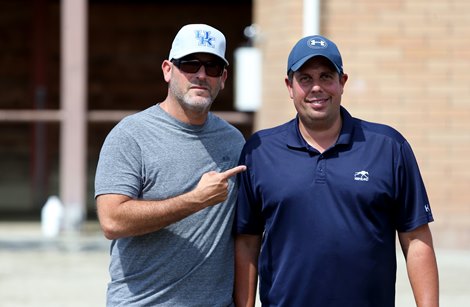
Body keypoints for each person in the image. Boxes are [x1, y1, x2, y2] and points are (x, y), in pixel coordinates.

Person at [233, 35, 439, 307]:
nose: (316, 87)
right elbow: (247, 242)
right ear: (289, 86)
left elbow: (415, 238)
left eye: (326, 76)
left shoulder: (388, 147)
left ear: (342, 82)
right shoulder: (259, 151)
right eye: (305, 78)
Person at [95, 24, 246, 306]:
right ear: (167, 70)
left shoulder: (233, 141)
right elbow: (111, 221)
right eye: (190, 64)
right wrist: (195, 200)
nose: (201, 75)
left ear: (223, 78)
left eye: (212, 67)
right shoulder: (131, 135)